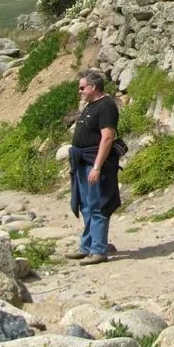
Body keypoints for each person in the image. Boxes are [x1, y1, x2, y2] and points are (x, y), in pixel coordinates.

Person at [67, 70, 121, 265]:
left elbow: (107, 138)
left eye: (82, 87)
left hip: (94, 163)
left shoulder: (106, 106)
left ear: (93, 87)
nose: (79, 91)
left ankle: (98, 249)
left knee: (98, 206)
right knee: (87, 206)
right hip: (82, 163)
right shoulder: (91, 105)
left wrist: (97, 167)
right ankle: (87, 246)